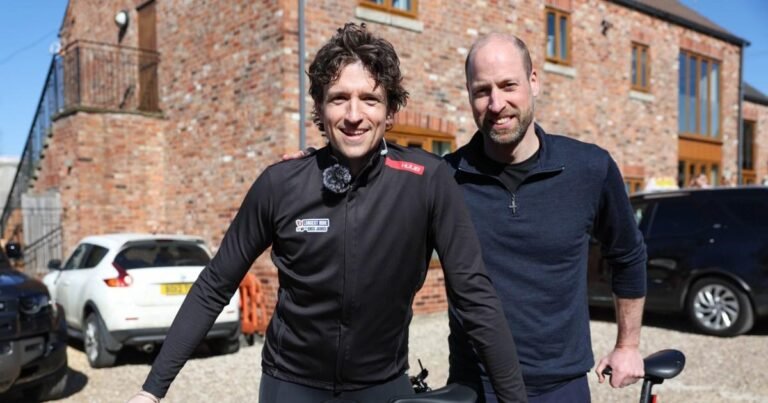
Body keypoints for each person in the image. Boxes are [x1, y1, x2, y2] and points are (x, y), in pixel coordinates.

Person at [128, 23, 526, 403]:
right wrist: (152, 389)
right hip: (290, 386)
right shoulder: (281, 184)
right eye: (339, 98)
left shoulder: (426, 181)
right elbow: (216, 284)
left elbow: (475, 297)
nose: (354, 115)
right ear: (320, 107)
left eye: (370, 99)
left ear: (390, 111)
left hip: (383, 386)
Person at [444, 33, 647, 402]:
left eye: (508, 86)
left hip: (561, 386)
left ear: (533, 81)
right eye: (482, 91)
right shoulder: (445, 179)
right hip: (474, 386)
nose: (496, 104)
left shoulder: (589, 168)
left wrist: (628, 345)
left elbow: (628, 254)